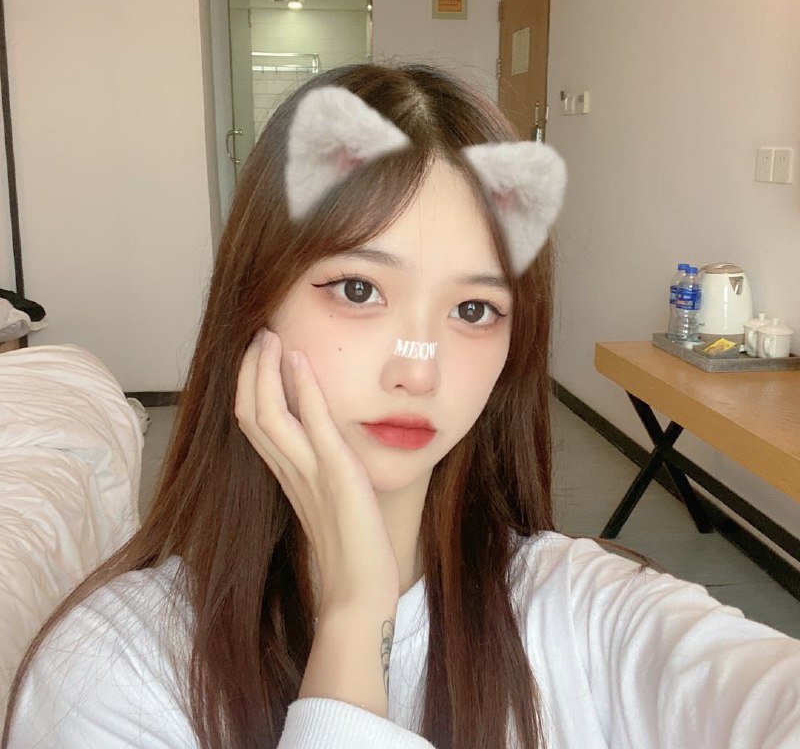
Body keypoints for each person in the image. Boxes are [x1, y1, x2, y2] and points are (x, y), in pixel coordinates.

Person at [3, 63, 800, 749]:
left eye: (474, 310)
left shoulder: (587, 611)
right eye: (358, 290)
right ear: (254, 305)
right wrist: (355, 616)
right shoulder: (112, 668)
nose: (419, 372)